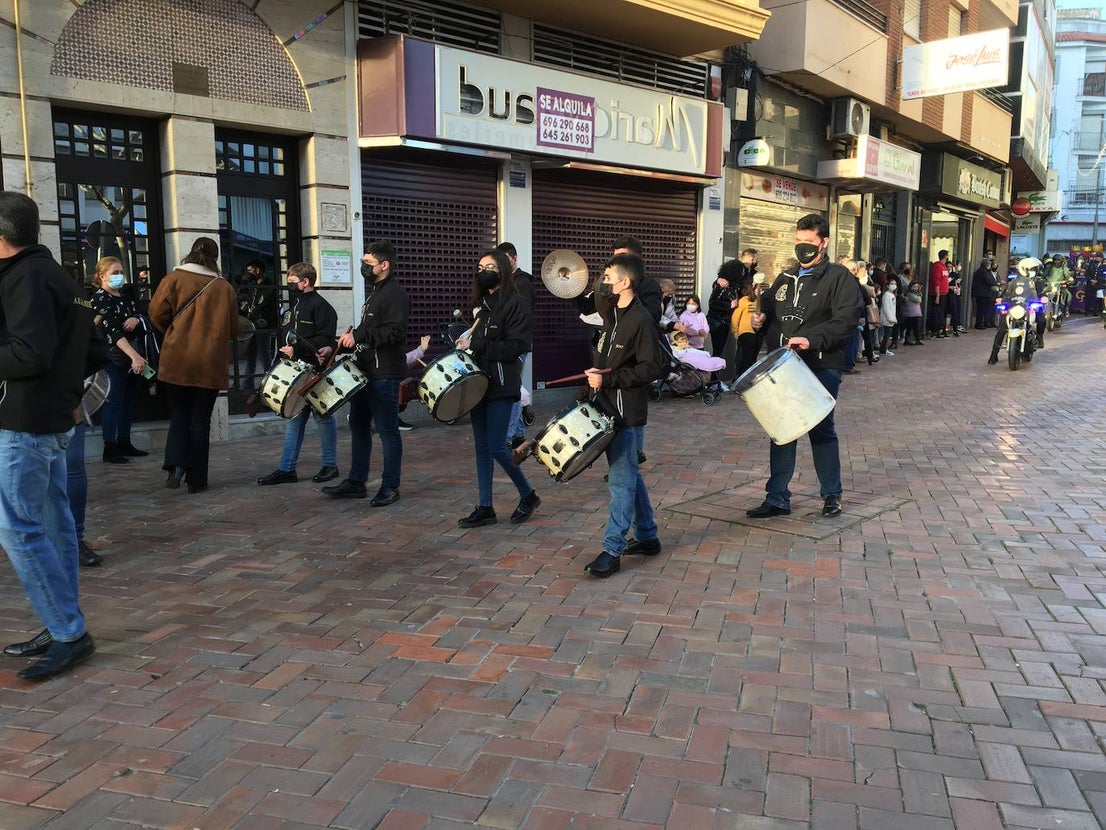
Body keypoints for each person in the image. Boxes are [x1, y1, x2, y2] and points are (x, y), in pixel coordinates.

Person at [0, 190, 106, 680]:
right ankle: (62, 621)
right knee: (54, 522)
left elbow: (29, 353)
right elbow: (95, 351)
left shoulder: (25, 277)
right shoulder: (61, 276)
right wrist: (64, 390)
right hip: (53, 420)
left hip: (25, 423)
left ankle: (68, 630)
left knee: (17, 527)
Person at [747, 213, 862, 521]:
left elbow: (846, 321)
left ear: (824, 242)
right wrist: (760, 322)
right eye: (798, 241)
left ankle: (831, 494)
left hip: (820, 365)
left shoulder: (839, 278)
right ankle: (777, 497)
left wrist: (812, 340)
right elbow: (769, 314)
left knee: (821, 428)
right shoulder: (785, 277)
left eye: (809, 242)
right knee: (781, 429)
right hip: (783, 367)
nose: (803, 247)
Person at [583, 253, 667, 578]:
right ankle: (647, 536)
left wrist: (608, 380)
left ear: (625, 282)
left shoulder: (641, 319)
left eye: (607, 278)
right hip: (606, 407)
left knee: (620, 482)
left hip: (625, 413)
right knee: (629, 475)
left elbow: (652, 367)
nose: (602, 283)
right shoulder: (612, 315)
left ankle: (612, 548)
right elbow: (604, 362)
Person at [454, 249, 540, 528]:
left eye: (490, 267)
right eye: (480, 268)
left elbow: (517, 347)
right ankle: (485, 506)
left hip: (502, 385)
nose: (484, 272)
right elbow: (480, 344)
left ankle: (528, 495)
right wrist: (466, 344)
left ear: (503, 269)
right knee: (482, 449)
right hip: (479, 384)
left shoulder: (517, 304)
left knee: (496, 446)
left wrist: (477, 344)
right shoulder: (483, 306)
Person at [149, 237, 239, 494]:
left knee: (179, 414)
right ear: (215, 258)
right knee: (200, 420)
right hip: (210, 362)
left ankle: (175, 465)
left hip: (176, 358)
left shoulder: (173, 279)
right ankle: (197, 479)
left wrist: (174, 332)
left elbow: (156, 313)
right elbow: (233, 328)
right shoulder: (224, 288)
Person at [323, 240, 408, 506]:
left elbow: (395, 332)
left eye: (368, 263)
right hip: (365, 371)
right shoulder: (375, 293)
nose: (364, 267)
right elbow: (370, 332)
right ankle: (356, 482)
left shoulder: (394, 294)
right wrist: (343, 343)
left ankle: (390, 486)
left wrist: (359, 335)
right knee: (358, 425)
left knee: (387, 431)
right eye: (363, 262)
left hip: (384, 374)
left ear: (385, 265)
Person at [256, 262, 340, 486]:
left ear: (306, 281)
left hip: (315, 371)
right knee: (294, 417)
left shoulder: (322, 307)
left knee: (323, 417)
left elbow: (326, 339)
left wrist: (298, 349)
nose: (289, 285)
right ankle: (287, 468)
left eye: (293, 282)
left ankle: (330, 465)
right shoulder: (294, 305)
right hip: (294, 371)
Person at [91, 256, 150, 464]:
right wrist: (134, 356)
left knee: (128, 400)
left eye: (121, 272)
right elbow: (112, 332)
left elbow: (143, 317)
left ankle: (124, 440)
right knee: (113, 401)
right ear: (102, 276)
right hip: (114, 358)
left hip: (134, 358)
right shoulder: (99, 300)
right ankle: (110, 446)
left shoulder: (126, 298)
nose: (119, 276)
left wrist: (136, 318)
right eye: (114, 273)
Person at [497, 242, 535, 449]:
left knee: (512, 389)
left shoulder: (522, 282)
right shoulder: (505, 282)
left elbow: (522, 317)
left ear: (514, 259)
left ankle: (508, 436)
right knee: (515, 386)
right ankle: (518, 434)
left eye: (505, 260)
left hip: (516, 344)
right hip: (507, 343)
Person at [988, 256, 1044, 365]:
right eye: (1032, 269)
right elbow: (1007, 293)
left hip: (1028, 308)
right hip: (1014, 308)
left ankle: (1039, 339)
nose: (1034, 271)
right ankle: (994, 354)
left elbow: (1041, 292)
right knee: (1002, 328)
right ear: (1025, 269)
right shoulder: (1013, 281)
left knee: (1041, 318)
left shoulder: (1038, 281)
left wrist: (1043, 298)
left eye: (1035, 269)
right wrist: (1001, 299)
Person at [238, 259, 278, 390]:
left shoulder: (270, 287)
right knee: (251, 354)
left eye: (251, 271)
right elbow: (250, 303)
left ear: (258, 270)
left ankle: (270, 382)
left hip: (262, 326)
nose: (248, 273)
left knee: (263, 355)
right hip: (251, 324)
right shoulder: (253, 286)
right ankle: (247, 383)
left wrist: (267, 321)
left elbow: (274, 309)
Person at [706, 259, 743, 389]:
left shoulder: (733, 285)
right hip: (718, 323)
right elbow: (713, 303)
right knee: (718, 351)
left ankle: (715, 380)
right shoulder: (722, 284)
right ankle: (714, 381)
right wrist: (729, 306)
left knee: (719, 351)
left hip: (724, 322)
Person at [730, 279, 759, 377]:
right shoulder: (744, 300)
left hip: (757, 333)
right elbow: (735, 316)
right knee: (745, 357)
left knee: (752, 358)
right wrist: (735, 331)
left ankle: (749, 377)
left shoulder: (759, 301)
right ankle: (740, 377)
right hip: (746, 332)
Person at [971, 255, 999, 329]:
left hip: (982, 293)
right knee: (981, 309)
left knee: (982, 309)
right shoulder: (983, 272)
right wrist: (996, 284)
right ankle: (979, 324)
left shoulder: (982, 271)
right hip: (982, 294)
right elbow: (989, 281)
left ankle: (980, 323)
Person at [928, 250, 950, 338]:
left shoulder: (944, 266)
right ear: (945, 256)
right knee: (937, 313)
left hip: (944, 293)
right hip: (938, 293)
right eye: (947, 255)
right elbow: (936, 281)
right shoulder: (937, 266)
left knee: (941, 313)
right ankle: (935, 331)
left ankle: (941, 329)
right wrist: (937, 295)